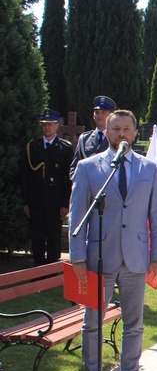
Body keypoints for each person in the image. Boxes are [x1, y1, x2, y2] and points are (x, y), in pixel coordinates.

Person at [69, 109, 157, 371]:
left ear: (135, 134)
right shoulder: (89, 168)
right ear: (106, 132)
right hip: (98, 255)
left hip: (135, 257)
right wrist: (77, 257)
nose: (121, 134)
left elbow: (156, 216)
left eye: (126, 129)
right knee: (92, 322)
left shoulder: (149, 169)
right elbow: (77, 214)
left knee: (134, 322)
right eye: (116, 129)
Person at [21, 109, 74, 265]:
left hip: (55, 203)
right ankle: (38, 270)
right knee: (37, 237)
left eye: (50, 124)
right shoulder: (33, 146)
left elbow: (68, 178)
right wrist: (26, 201)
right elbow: (26, 175)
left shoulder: (65, 148)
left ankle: (51, 272)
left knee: (53, 238)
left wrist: (65, 203)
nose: (47, 128)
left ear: (57, 125)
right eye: (44, 125)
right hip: (36, 201)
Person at [69, 95, 117, 178]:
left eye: (103, 112)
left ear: (111, 115)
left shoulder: (117, 138)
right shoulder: (84, 139)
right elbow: (75, 166)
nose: (99, 116)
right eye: (97, 112)